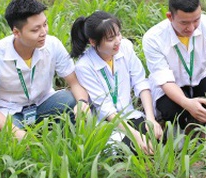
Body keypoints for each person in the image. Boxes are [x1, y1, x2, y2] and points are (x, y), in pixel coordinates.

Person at [0, 0, 90, 139]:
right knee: (1, 135)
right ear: (16, 32)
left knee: (71, 100)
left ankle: (66, 139)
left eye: (45, 24)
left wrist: (82, 103)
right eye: (35, 30)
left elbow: (74, 82)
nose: (44, 32)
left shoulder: (52, 45)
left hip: (43, 103)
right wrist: (17, 132)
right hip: (11, 112)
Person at [70, 11, 163, 154]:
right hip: (108, 123)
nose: (118, 41)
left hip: (130, 115)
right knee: (131, 148)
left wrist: (151, 118)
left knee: (158, 137)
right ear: (93, 42)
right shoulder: (84, 66)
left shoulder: (125, 47)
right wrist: (136, 136)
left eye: (119, 34)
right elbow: (106, 109)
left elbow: (140, 83)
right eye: (110, 39)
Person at [142, 0, 206, 129]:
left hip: (200, 76)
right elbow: (165, 80)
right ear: (170, 16)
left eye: (196, 20)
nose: (192, 28)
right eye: (184, 23)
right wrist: (186, 103)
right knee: (171, 111)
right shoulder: (153, 38)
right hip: (172, 85)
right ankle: (182, 127)